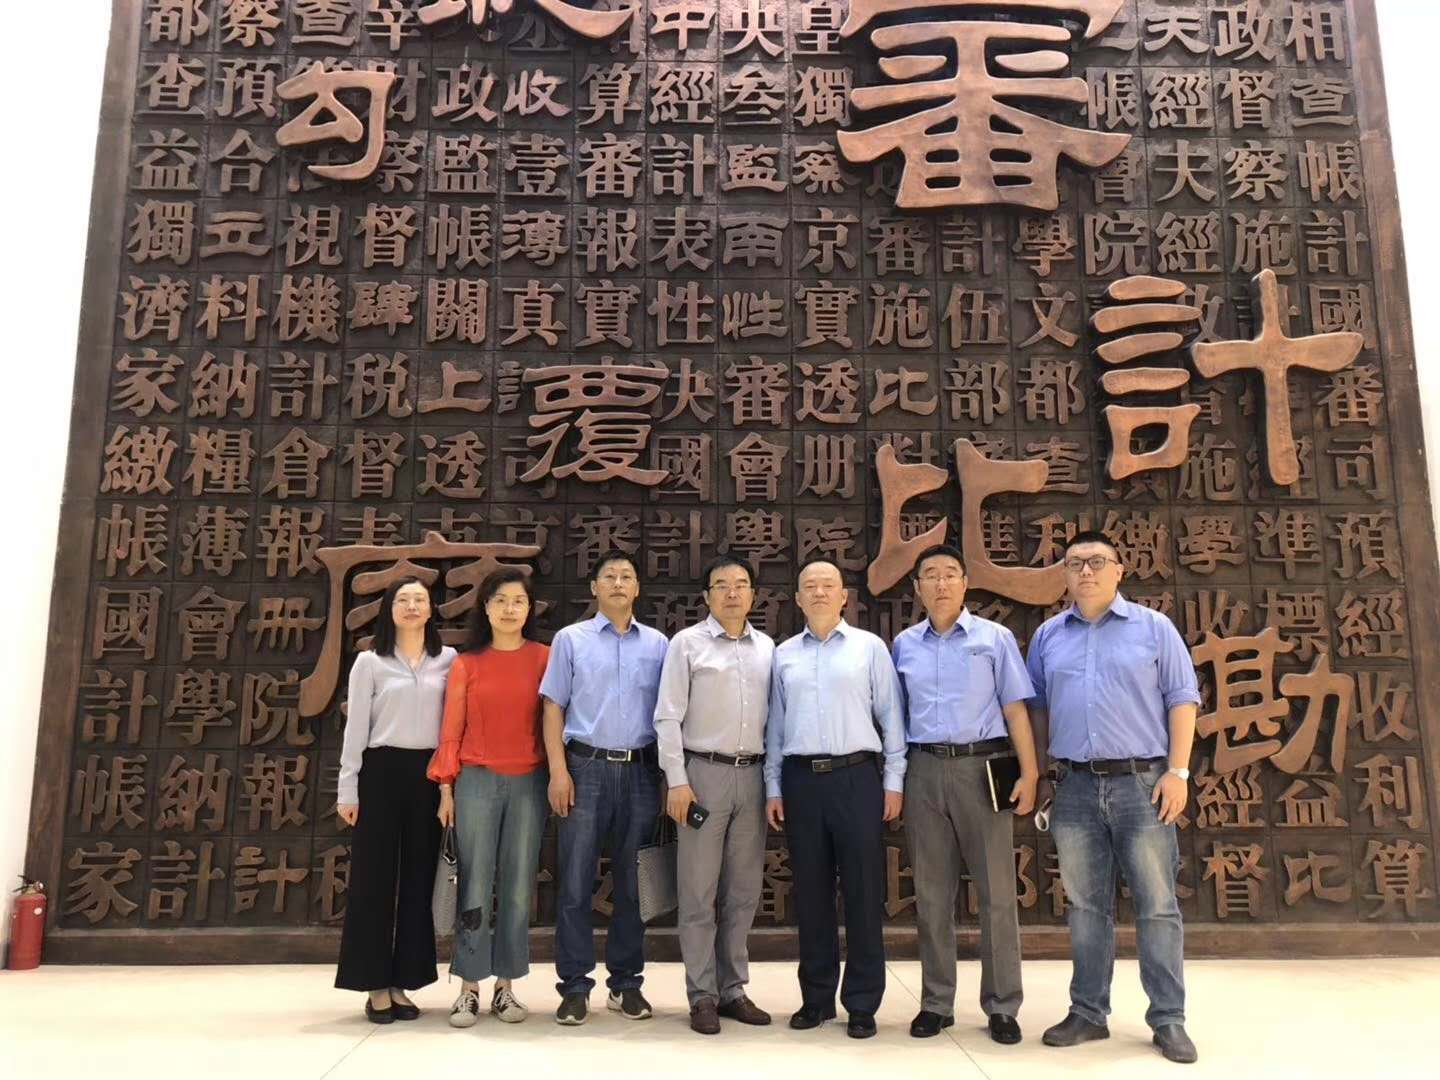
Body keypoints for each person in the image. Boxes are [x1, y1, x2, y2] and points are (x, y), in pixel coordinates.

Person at [1025, 530, 1201, 1065]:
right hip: (1074, 785)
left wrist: (1178, 772)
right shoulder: (1048, 636)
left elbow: (1183, 698)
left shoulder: (1153, 628)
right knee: (1085, 906)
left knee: (1157, 904)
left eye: (1097, 561)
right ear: (1064, 574)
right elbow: (1037, 709)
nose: (1086, 571)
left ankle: (1168, 1018)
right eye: (1075, 562)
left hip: (1142, 784)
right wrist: (1043, 776)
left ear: (1119, 570)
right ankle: (1088, 1012)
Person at [892, 544, 1039, 1045]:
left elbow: (1016, 710)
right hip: (924, 768)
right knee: (932, 894)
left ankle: (1002, 1005)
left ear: (965, 582)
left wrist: (1030, 773)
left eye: (950, 573)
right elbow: (896, 716)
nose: (940, 583)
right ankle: (936, 1003)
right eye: (930, 575)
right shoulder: (904, 645)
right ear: (917, 588)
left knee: (997, 892)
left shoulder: (994, 639)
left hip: (983, 767)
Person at [764, 559, 906, 1040]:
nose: (820, 592)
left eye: (829, 585)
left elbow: (891, 717)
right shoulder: (784, 655)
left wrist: (894, 781)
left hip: (856, 777)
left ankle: (862, 1003)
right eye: (810, 586)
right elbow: (776, 726)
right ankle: (817, 998)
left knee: (864, 892)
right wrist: (773, 786)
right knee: (811, 893)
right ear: (798, 598)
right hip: (802, 781)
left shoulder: (869, 648)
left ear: (845, 596)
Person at [540, 550, 669, 1026]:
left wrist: (668, 777)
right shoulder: (570, 640)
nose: (618, 582)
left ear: (637, 589)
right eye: (609, 576)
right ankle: (575, 987)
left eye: (626, 576)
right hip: (585, 769)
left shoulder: (658, 644)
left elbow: (669, 714)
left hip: (640, 771)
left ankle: (626, 984)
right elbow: (553, 707)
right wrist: (558, 771)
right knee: (575, 883)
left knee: (634, 885)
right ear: (594, 588)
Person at [655, 555, 776, 1035]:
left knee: (743, 891)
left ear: (753, 595)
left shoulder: (767, 648)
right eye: (721, 585)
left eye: (741, 584)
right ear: (706, 596)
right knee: (698, 891)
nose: (732, 592)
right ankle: (702, 994)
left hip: (754, 776)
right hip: (701, 776)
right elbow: (667, 716)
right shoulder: (687, 644)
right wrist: (676, 780)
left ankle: (733, 990)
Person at [429, 567, 550, 1029]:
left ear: (529, 608)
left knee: (518, 887)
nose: (509, 609)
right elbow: (451, 730)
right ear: (485, 608)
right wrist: (446, 787)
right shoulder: (467, 663)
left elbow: (555, 720)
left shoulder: (544, 658)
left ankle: (506, 986)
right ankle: (468, 987)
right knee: (475, 883)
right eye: (500, 600)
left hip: (529, 783)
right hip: (476, 781)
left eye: (518, 601)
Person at [334, 577, 456, 1023]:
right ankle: (373, 983)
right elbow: (356, 728)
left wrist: (448, 785)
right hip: (380, 771)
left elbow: (452, 727)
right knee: (374, 879)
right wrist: (348, 787)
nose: (411, 606)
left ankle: (404, 980)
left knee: (418, 879)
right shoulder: (370, 661)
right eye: (402, 600)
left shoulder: (449, 660)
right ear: (389, 609)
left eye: (419, 599)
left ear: (430, 609)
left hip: (429, 774)